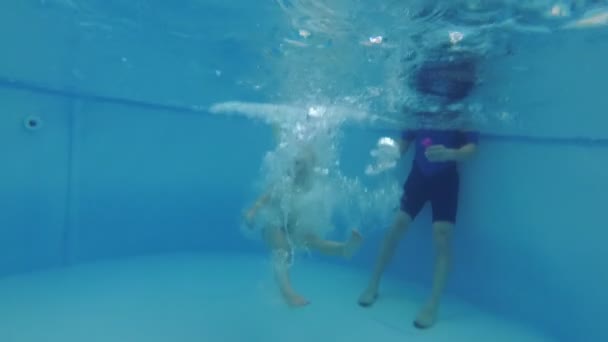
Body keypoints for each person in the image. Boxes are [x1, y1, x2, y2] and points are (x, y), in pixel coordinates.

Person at [358, 46, 480, 329]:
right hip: (419, 175)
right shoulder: (418, 107)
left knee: (442, 235)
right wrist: (387, 157)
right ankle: (373, 283)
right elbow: (405, 143)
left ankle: (432, 303)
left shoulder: (462, 108)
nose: (442, 83)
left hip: (447, 177)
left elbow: (472, 149)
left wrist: (450, 155)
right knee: (397, 224)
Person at [245, 140, 363, 307]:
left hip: (293, 227)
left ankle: (343, 250)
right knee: (282, 249)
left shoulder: (312, 185)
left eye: (304, 166)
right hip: (272, 224)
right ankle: (288, 292)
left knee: (313, 240)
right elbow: (263, 199)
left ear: (312, 167)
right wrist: (252, 212)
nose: (298, 171)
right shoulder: (283, 181)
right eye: (296, 164)